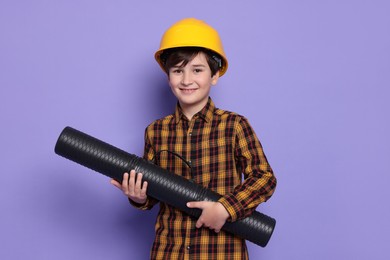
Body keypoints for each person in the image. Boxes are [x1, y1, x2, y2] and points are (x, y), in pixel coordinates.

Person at [111, 18, 277, 260]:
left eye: (197, 70)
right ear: (168, 77)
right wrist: (139, 198)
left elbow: (264, 178)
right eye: (178, 70)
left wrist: (225, 208)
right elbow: (153, 193)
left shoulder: (234, 125)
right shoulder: (156, 132)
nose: (186, 80)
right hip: (169, 251)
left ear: (215, 75)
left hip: (221, 253)